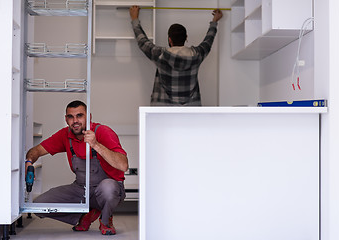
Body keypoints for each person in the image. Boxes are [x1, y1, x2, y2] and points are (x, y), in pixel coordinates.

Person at [25, 100, 128, 235]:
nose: (75, 121)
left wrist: (95, 144)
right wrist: (29, 161)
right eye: (70, 117)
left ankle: (106, 220)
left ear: (88, 117)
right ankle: (84, 217)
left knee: (108, 188)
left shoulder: (103, 132)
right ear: (66, 119)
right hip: (81, 189)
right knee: (39, 205)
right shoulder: (65, 135)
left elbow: (123, 165)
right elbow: (36, 151)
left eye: (79, 116)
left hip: (109, 189)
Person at [129, 5, 223, 106]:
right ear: (186, 37)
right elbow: (208, 41)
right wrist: (214, 21)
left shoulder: (160, 55)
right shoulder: (197, 55)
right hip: (189, 112)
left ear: (170, 39)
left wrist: (135, 18)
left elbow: (142, 41)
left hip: (163, 111)